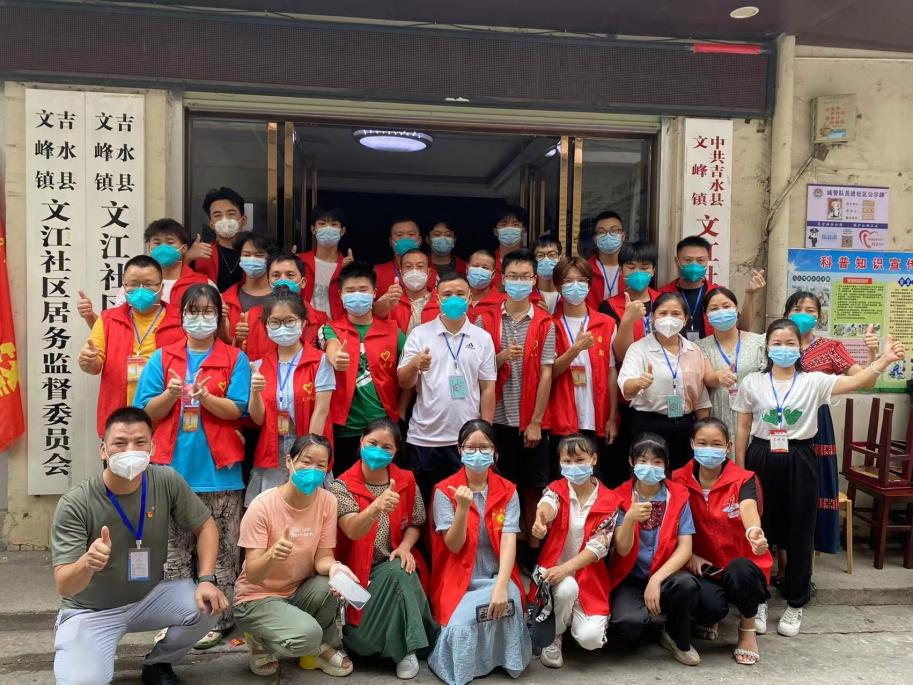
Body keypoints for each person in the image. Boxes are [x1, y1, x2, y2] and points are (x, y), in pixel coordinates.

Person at [732, 318, 904, 637]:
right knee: (759, 528)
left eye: (790, 343)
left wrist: (882, 361)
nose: (783, 349)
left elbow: (858, 382)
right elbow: (742, 429)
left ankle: (795, 602)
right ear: (767, 347)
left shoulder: (814, 381)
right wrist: (741, 472)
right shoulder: (752, 382)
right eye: (777, 343)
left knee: (801, 531)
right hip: (761, 456)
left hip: (800, 457)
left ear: (800, 347)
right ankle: (758, 600)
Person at [51, 407, 227, 685]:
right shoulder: (76, 503)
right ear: (103, 450)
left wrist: (206, 579)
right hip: (91, 610)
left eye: (140, 442)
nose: (130, 451)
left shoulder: (165, 480)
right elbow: (65, 586)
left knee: (208, 604)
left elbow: (205, 526)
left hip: (148, 597)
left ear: (152, 447)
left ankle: (158, 663)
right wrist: (87, 563)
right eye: (120, 443)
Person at [133, 284, 251, 649]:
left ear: (218, 316)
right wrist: (169, 395)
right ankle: (177, 617)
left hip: (220, 473)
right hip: (172, 472)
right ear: (181, 316)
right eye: (193, 311)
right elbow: (144, 412)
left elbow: (238, 409)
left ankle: (218, 619)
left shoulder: (234, 358)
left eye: (208, 311)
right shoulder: (162, 358)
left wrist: (207, 398)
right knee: (173, 552)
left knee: (224, 552)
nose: (200, 318)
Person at [233, 434, 356, 678]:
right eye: (306, 462)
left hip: (296, 591)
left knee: (334, 585)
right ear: (289, 461)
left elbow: (323, 557)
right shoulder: (262, 506)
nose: (313, 470)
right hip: (256, 598)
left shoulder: (327, 501)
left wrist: (335, 568)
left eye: (321, 465)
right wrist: (272, 555)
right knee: (308, 634)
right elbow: (253, 574)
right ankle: (261, 640)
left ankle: (314, 650)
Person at [331, 419, 439, 679]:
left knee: (400, 570)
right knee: (360, 638)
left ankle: (406, 651)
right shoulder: (341, 486)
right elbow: (351, 529)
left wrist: (405, 546)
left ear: (395, 451)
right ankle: (417, 642)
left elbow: (416, 522)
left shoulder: (406, 480)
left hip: (390, 563)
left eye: (386, 447)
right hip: (354, 574)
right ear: (361, 442)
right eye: (372, 443)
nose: (378, 451)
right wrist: (376, 507)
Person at [428, 420, 531, 685]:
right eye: (470, 447)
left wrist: (502, 586)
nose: (477, 453)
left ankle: (504, 660)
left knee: (507, 605)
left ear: (494, 451)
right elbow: (453, 545)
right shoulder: (444, 491)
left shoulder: (508, 490)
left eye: (484, 447)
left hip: (498, 575)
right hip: (459, 579)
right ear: (459, 450)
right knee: (460, 628)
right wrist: (462, 508)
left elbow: (508, 542)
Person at [785, 291, 881, 556]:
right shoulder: (775, 342)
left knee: (815, 482)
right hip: (781, 422)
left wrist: (872, 355)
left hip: (817, 423)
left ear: (819, 317)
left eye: (810, 310)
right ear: (786, 314)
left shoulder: (831, 347)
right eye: (796, 309)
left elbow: (866, 381)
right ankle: (780, 546)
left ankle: (811, 546)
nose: (803, 315)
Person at [671, 418, 772, 666]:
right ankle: (713, 616)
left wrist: (754, 532)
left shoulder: (744, 479)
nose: (709, 449)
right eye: (702, 443)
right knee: (709, 608)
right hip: (704, 568)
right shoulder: (677, 479)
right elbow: (671, 524)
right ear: (692, 444)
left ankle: (747, 628)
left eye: (716, 444)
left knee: (741, 570)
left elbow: (748, 507)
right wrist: (687, 555)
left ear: (728, 447)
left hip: (741, 566)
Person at [477, 249, 556, 568]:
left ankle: (533, 552)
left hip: (530, 420)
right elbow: (480, 369)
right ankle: (501, 546)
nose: (519, 282)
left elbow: (548, 373)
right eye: (513, 276)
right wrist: (500, 358)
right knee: (499, 487)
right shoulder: (486, 319)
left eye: (525, 277)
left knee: (533, 487)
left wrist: (536, 420)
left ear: (534, 280)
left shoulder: (545, 322)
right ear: (503, 279)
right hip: (495, 418)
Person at [398, 272, 497, 504]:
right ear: (437, 298)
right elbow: (404, 382)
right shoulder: (420, 334)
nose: (454, 299)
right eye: (447, 294)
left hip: (466, 442)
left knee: (461, 504)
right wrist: (415, 364)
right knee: (422, 506)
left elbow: (488, 389)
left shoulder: (482, 338)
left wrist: (485, 435)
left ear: (469, 297)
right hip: (424, 438)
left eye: (460, 294)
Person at [607, 433, 700, 666]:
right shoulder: (618, 496)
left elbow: (685, 548)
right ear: (631, 462)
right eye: (643, 460)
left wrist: (657, 579)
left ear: (666, 465)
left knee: (687, 585)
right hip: (629, 577)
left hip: (666, 575)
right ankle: (643, 619)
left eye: (657, 462)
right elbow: (622, 549)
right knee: (628, 626)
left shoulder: (678, 496)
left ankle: (676, 636)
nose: (650, 467)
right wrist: (630, 518)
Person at [530, 434, 620, 668]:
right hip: (554, 575)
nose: (573, 466)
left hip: (590, 578)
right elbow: (548, 505)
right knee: (567, 588)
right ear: (559, 462)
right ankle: (554, 635)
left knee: (591, 640)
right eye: (567, 461)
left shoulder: (610, 500)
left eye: (580, 460)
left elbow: (598, 547)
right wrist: (541, 519)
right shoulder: (555, 490)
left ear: (593, 459)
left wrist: (566, 568)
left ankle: (568, 617)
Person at [246, 290, 335, 506]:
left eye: (289, 321)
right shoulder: (258, 365)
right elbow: (258, 419)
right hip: (272, 451)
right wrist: (255, 392)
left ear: (303, 323)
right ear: (266, 325)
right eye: (275, 322)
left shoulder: (320, 362)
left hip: (307, 449)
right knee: (271, 513)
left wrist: (307, 456)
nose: (282, 327)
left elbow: (321, 411)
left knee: (309, 511)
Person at [78, 255, 182, 437]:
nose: (140, 290)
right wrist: (88, 361)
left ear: (161, 287)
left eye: (148, 284)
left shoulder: (180, 321)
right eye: (133, 284)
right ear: (124, 287)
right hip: (118, 424)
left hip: (165, 426)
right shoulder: (108, 319)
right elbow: (94, 366)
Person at [323, 262, 406, 475]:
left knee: (385, 483)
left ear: (374, 293)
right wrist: (336, 357)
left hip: (383, 428)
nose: (357, 295)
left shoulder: (393, 331)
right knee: (344, 485)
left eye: (363, 290)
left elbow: (408, 374)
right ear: (340, 295)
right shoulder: (330, 328)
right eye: (350, 291)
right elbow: (331, 346)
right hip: (345, 429)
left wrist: (402, 411)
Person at [545, 257, 620, 484]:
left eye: (581, 280)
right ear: (558, 286)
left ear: (589, 284)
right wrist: (575, 349)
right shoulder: (550, 324)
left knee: (596, 481)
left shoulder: (606, 323)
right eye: (568, 281)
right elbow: (549, 373)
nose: (575, 286)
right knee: (562, 482)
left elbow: (611, 372)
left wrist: (612, 417)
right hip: (562, 416)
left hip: (595, 416)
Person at [618, 292, 712, 468]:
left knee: (682, 476)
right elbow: (626, 388)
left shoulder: (694, 350)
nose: (669, 318)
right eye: (663, 313)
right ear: (653, 318)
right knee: (650, 475)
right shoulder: (638, 349)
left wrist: (703, 432)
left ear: (685, 319)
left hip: (684, 425)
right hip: (649, 425)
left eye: (676, 314)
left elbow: (700, 398)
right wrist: (639, 382)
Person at [77, 219, 211, 329]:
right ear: (149, 247)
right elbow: (112, 329)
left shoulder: (203, 284)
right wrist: (89, 315)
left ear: (184, 248)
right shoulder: (132, 287)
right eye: (157, 243)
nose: (163, 248)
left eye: (170, 242)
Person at [696, 288, 766, 444]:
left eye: (726, 306)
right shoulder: (701, 346)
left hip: (753, 415)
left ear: (736, 309)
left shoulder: (759, 342)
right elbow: (708, 378)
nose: (721, 311)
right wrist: (718, 377)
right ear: (706, 315)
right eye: (714, 308)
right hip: (719, 414)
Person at [658, 236, 764, 339]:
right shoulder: (662, 294)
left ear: (707, 261)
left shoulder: (718, 294)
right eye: (688, 260)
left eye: (700, 260)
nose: (694, 265)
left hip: (712, 350)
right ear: (677, 261)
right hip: (673, 350)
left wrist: (750, 294)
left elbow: (743, 329)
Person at [605, 240, 660, 362]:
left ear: (653, 271)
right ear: (620, 270)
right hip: (629, 370)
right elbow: (620, 356)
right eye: (631, 267)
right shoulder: (609, 306)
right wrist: (628, 320)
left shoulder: (664, 301)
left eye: (644, 268)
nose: (637, 273)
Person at [223, 230, 277, 351]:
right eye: (246, 255)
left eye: (259, 255)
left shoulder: (282, 298)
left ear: (270, 258)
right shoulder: (227, 299)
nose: (252, 260)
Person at [187, 187, 248, 292]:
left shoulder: (256, 253)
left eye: (231, 214)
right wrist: (188, 258)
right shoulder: (200, 254)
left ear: (243, 220)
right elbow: (178, 285)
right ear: (211, 224)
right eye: (217, 215)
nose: (224, 219)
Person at [374, 215, 436, 317]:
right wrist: (386, 303)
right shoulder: (377, 272)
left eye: (411, 234)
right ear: (390, 241)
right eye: (399, 235)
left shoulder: (433, 273)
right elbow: (369, 312)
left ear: (420, 240)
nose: (405, 238)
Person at [265, 252, 328, 351]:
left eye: (290, 275)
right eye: (276, 275)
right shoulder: (252, 318)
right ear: (268, 282)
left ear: (303, 282)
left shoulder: (321, 320)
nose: (283, 280)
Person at [298, 205, 352, 319]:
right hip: (305, 324)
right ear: (313, 229)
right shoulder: (300, 262)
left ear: (342, 231)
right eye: (322, 224)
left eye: (334, 224)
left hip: (335, 327)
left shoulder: (348, 266)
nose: (328, 228)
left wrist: (350, 271)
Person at [390, 248, 440, 333]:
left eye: (420, 267)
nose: (414, 271)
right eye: (408, 267)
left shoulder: (441, 302)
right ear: (401, 273)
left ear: (429, 273)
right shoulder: (390, 301)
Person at [585, 211, 625, 309]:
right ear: (595, 239)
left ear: (623, 236)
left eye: (614, 231)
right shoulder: (585, 270)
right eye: (601, 232)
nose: (608, 235)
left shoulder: (632, 270)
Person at [466, 249, 505, 321]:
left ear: (493, 274)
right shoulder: (456, 298)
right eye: (475, 266)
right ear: (467, 268)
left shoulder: (503, 301)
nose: (479, 271)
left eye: (485, 268)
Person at [532, 233, 562, 315]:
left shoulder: (568, 293)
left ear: (560, 257)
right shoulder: (527, 294)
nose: (546, 260)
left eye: (552, 255)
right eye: (540, 255)